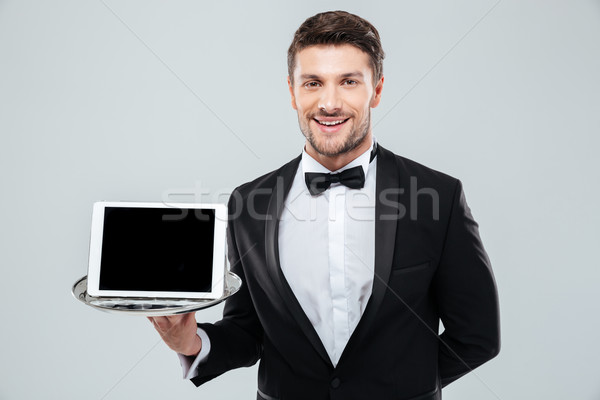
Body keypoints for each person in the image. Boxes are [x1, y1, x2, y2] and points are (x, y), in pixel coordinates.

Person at [149, 10, 500, 400]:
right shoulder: (249, 203)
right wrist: (191, 344)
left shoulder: (439, 196)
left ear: (377, 90)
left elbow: (478, 336)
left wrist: (406, 385)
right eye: (313, 83)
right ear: (292, 91)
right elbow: (247, 332)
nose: (329, 103)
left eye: (349, 82)